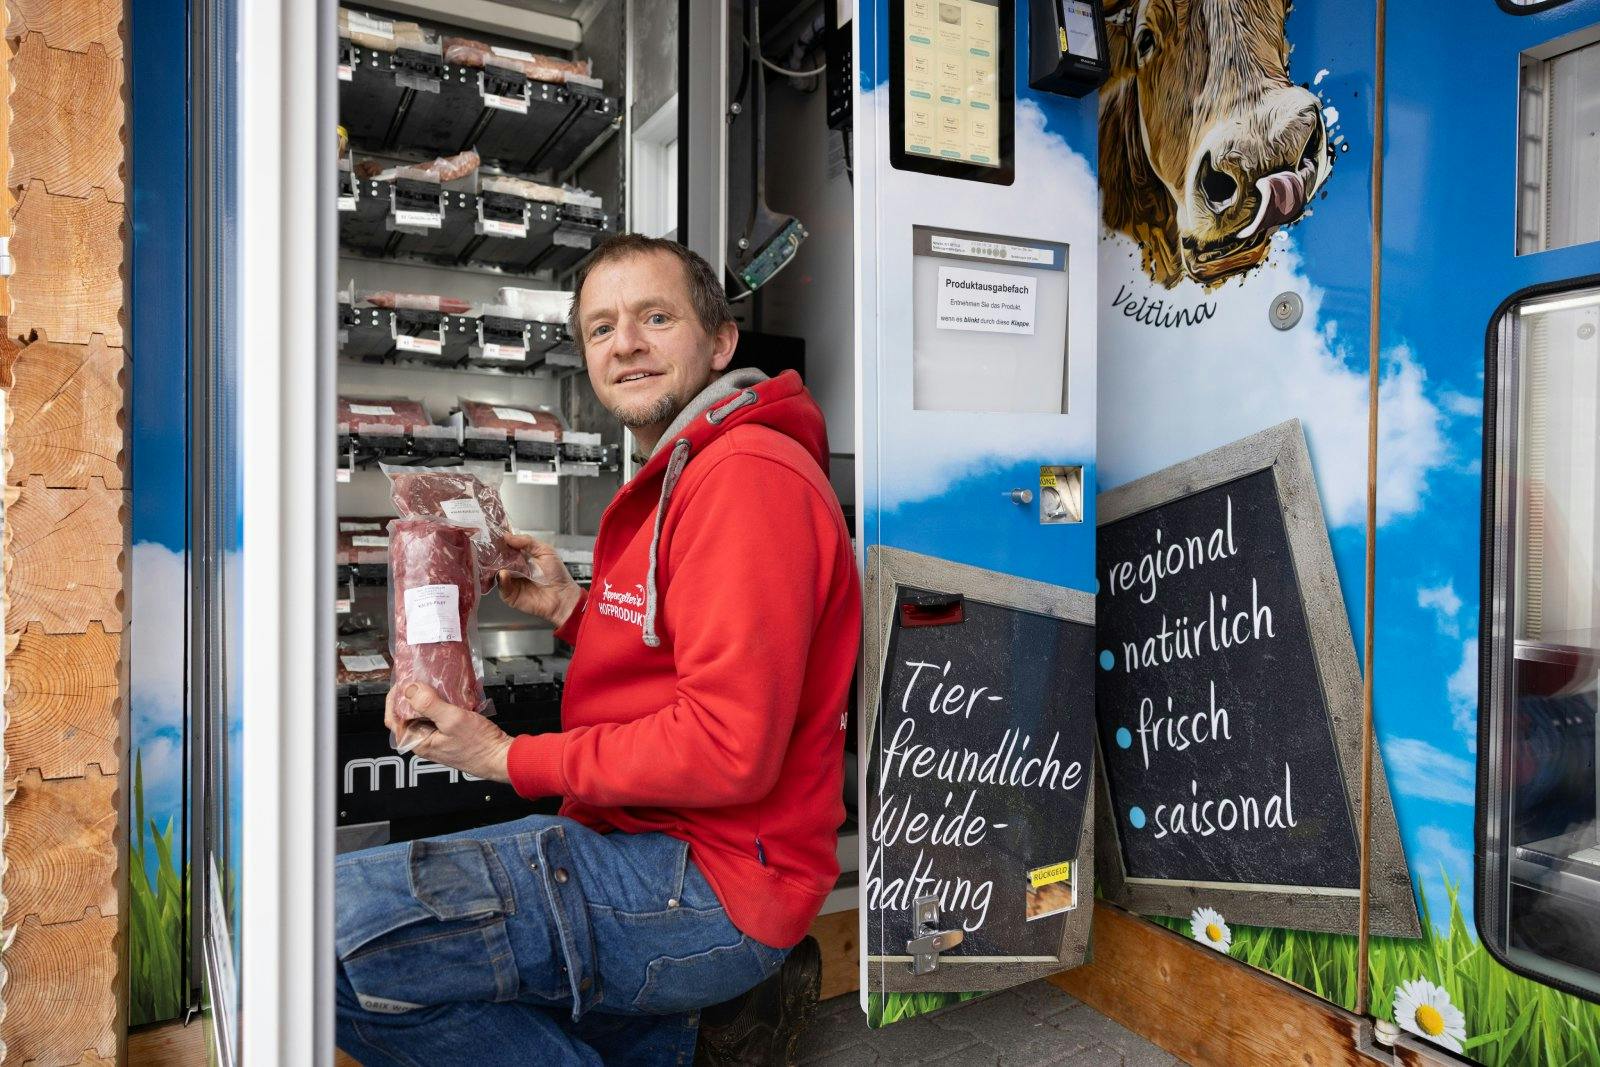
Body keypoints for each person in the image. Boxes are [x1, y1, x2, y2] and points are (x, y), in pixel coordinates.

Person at [335, 234, 861, 1066]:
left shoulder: (746, 479)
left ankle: (694, 1014)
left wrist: (508, 757)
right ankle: (684, 1037)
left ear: (720, 341)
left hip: (707, 878)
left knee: (324, 938)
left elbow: (729, 748)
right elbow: (686, 651)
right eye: (601, 328)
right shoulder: (692, 465)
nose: (627, 345)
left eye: (657, 317)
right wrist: (574, 609)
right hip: (646, 838)